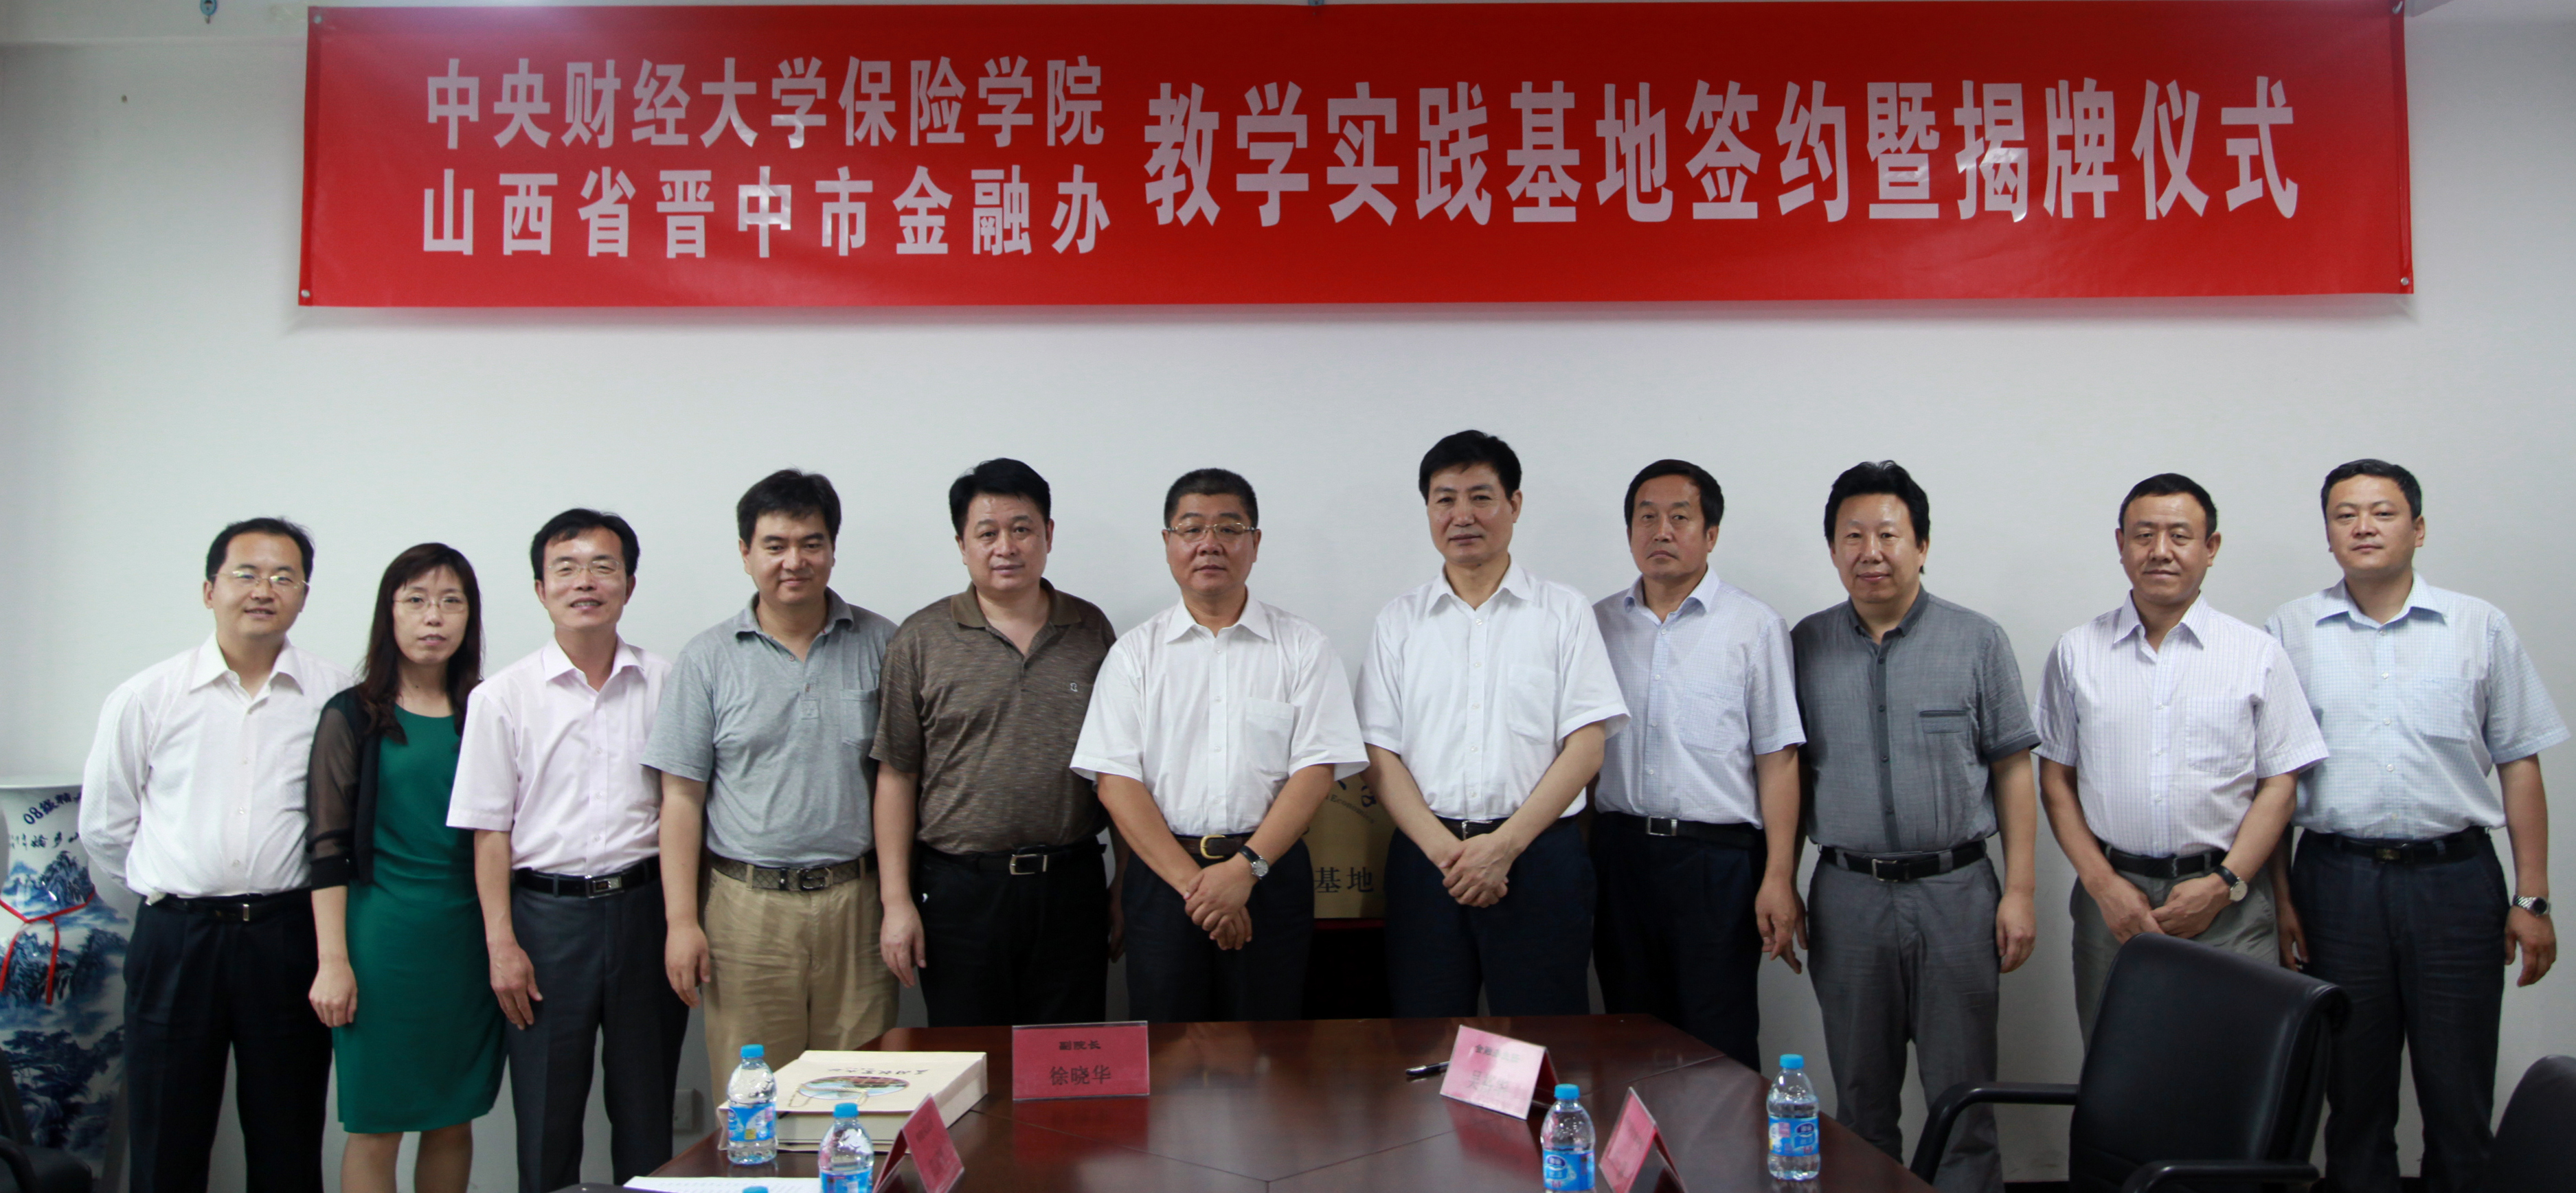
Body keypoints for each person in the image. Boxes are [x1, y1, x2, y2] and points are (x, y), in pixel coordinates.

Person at [2264, 460, 2564, 1193]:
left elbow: (2519, 762)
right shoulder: (2289, 631)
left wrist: (2531, 898)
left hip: (2455, 883)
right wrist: (2284, 898)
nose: (2364, 527)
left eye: (2383, 512)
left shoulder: (2479, 626)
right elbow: (2274, 778)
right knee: (2353, 1096)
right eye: (2345, 515)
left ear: (2418, 529)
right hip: (2336, 881)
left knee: (2459, 1096)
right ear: (2329, 535)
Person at [80, 517, 354, 1193]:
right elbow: (106, 828)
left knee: (289, 1140)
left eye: (284, 577)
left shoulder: (335, 697)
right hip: (178, 938)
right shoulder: (147, 696)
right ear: (209, 590)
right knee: (165, 1141)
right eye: (246, 574)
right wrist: (177, 886)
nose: (265, 590)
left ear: (304, 596)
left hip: (288, 938)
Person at [1791, 462, 2040, 1193]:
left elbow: (2013, 769)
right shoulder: (1803, 646)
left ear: (1922, 545)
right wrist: (1780, 878)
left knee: (1964, 1100)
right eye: (1853, 536)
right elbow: (1785, 773)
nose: (1870, 552)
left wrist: (2020, 890)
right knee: (1860, 1101)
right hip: (1848, 894)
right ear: (1832, 549)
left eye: (1888, 535)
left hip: (1957, 894)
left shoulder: (1977, 640)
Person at [2035, 473, 2328, 1042]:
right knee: (2119, 1069)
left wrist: (2225, 883)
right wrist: (2102, 884)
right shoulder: (2076, 652)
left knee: (2233, 1072)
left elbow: (2280, 784)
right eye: (2144, 535)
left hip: (2229, 903)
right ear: (2121, 544)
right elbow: (2056, 781)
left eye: (2179, 535)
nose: (2160, 550)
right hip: (2112, 903)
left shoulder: (2257, 654)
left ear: (2210, 547)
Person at [448, 510, 690, 1193]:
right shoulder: (502, 697)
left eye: (602, 567)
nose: (585, 582)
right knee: (547, 1115)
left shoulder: (669, 683)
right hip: (546, 921)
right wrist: (501, 942)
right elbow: (488, 831)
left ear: (629, 584)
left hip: (645, 911)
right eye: (566, 568)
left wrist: (683, 921)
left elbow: (684, 808)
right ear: (540, 588)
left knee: (647, 1110)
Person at [1072, 468, 1368, 1022]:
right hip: (1164, 880)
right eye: (1192, 528)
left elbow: (1315, 771)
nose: (1210, 543)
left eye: (1229, 528)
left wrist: (1244, 871)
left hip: (1270, 876)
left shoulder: (1303, 647)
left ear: (1255, 542)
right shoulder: (1134, 655)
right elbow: (1115, 780)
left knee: (1270, 1048)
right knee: (1168, 1049)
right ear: (1169, 542)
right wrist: (1202, 890)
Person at [1358, 430, 1627, 1017]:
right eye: (1445, 499)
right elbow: (1379, 753)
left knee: (1543, 1039)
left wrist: (1503, 847)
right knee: (1424, 1037)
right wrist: (1449, 855)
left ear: (1515, 504)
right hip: (1429, 863)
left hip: (1539, 856)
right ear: (1428, 510)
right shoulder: (1399, 621)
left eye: (1481, 497)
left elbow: (1586, 747)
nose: (1463, 515)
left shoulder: (1563, 612)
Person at [648, 472, 899, 1091]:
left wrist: (898, 902)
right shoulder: (707, 658)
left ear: (833, 548)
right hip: (746, 913)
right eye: (775, 545)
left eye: (811, 543)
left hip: (857, 905)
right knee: (755, 1102)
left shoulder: (884, 644)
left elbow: (899, 779)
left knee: (859, 1095)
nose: (795, 561)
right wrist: (681, 921)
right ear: (745, 552)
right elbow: (681, 798)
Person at [873, 458, 1120, 1026]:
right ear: (962, 544)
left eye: (1022, 528)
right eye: (987, 533)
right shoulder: (921, 638)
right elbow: (896, 774)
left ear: (1048, 534)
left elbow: (1121, 771)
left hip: (1071, 883)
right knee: (970, 1058)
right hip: (960, 890)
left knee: (1065, 1056)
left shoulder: (1091, 630)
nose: (1006, 547)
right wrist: (896, 901)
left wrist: (1124, 885)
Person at [1590, 459, 1805, 1063]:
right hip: (1619, 854)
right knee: (1629, 1033)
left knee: (1719, 1043)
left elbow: (1779, 759)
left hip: (1718, 862)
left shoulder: (1754, 626)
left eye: (1679, 517)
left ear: (1710, 534)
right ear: (1629, 531)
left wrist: (1780, 875)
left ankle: (1723, 1135)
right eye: (1647, 517)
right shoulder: (1596, 625)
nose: (1661, 531)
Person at [305, 544, 501, 1193]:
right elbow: (327, 850)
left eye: (451, 601)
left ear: (470, 616)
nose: (433, 616)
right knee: (376, 1121)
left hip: (467, 941)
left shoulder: (489, 709)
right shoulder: (352, 715)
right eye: (415, 600)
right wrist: (333, 961)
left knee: (452, 1114)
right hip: (381, 942)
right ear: (389, 614)